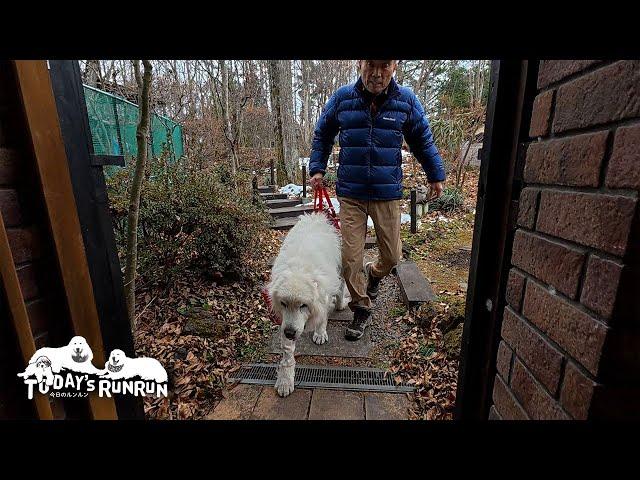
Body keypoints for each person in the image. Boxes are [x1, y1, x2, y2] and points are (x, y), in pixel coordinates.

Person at [308, 60, 446, 341]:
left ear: (395, 66)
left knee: (393, 256)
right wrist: (317, 168)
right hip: (352, 194)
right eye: (371, 64)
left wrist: (435, 174)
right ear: (360, 64)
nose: (377, 73)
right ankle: (361, 308)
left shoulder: (405, 100)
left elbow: (422, 139)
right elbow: (323, 133)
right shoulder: (343, 98)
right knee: (349, 259)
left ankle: (373, 275)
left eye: (385, 65)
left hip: (387, 194)